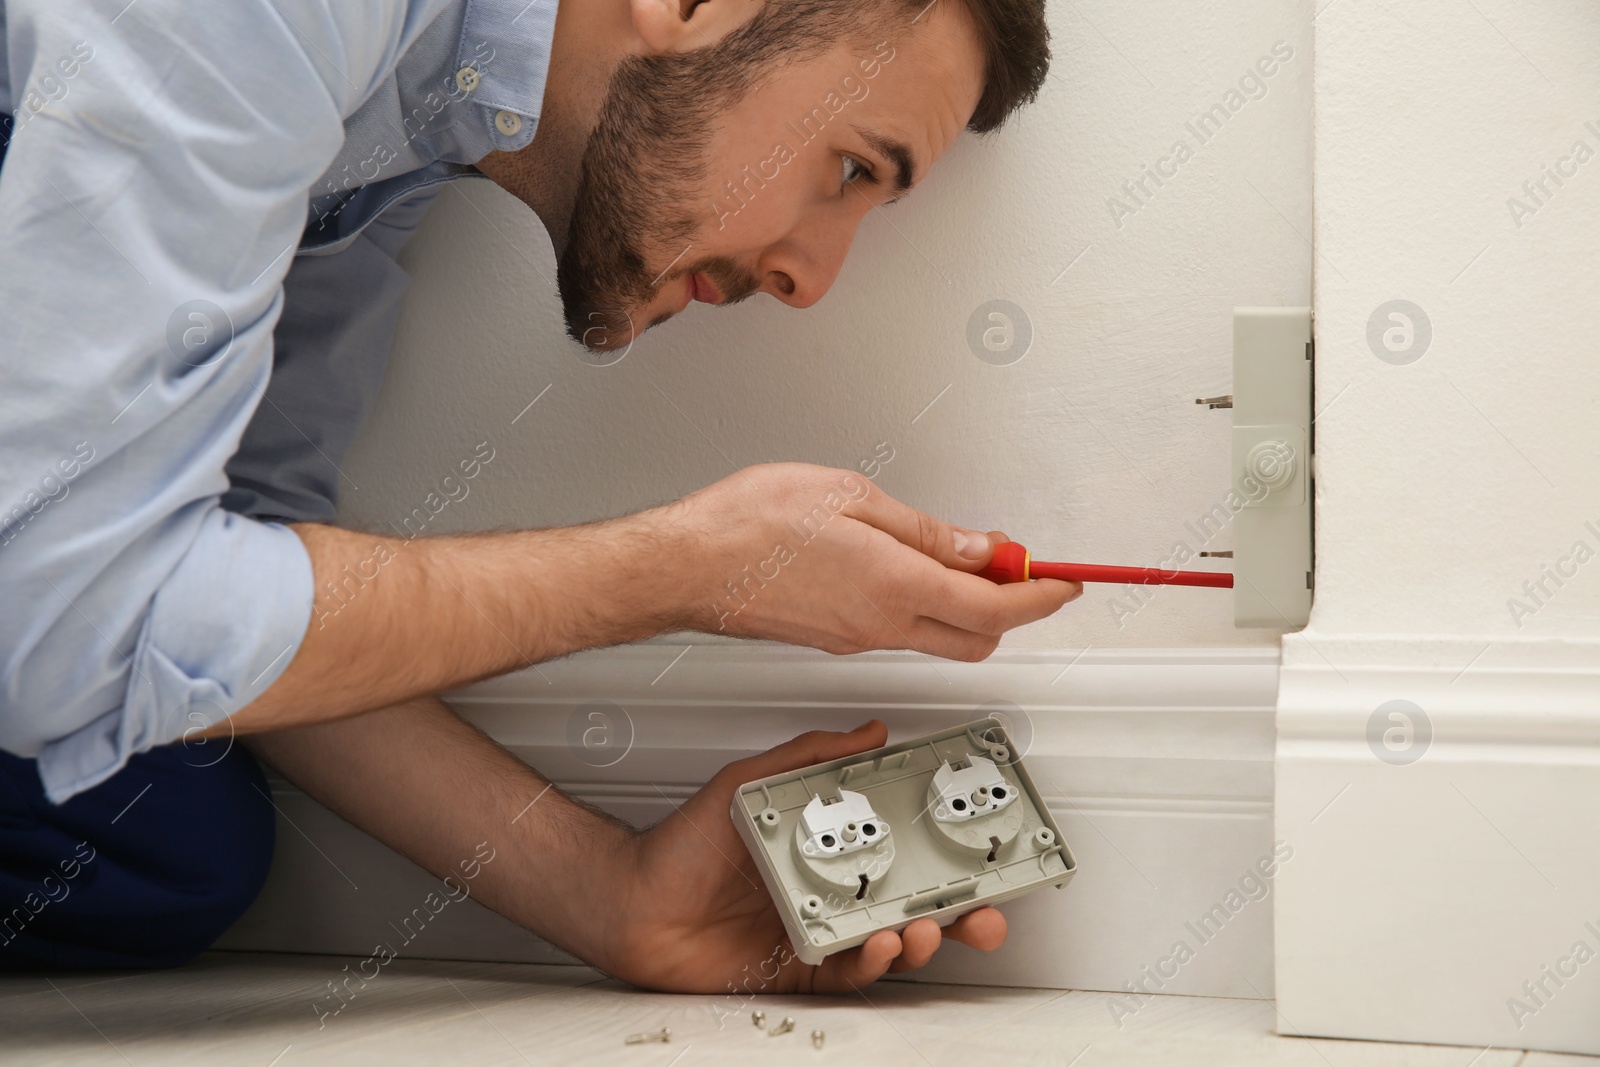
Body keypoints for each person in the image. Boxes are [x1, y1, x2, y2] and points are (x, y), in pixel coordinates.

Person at [0, 0, 1077, 991]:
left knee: (161, 838)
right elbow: (71, 626)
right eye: (848, 169)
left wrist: (613, 896)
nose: (817, 279)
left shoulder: (407, 134)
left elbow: (241, 560)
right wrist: (678, 569)